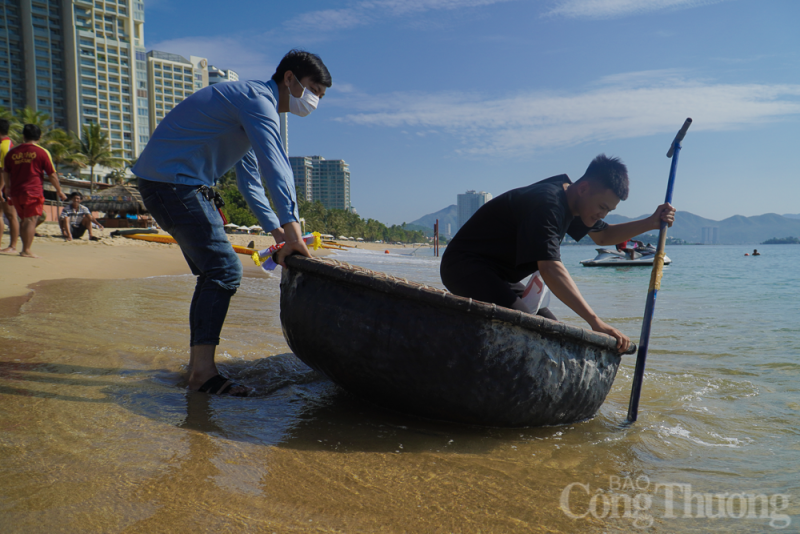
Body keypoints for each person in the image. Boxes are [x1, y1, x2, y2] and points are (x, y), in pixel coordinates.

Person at [132, 49, 332, 396]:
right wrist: (296, 231)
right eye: (313, 89)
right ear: (289, 78)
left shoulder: (249, 103)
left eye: (321, 95)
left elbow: (251, 181)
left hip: (171, 183)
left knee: (213, 273)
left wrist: (280, 234)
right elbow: (278, 167)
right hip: (174, 183)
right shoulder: (258, 101)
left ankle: (198, 368)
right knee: (224, 271)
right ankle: (203, 376)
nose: (315, 100)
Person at [440, 154, 676, 353]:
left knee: (553, 329)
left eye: (609, 210)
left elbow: (604, 236)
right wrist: (595, 321)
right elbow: (550, 268)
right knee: (531, 327)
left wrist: (651, 222)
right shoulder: (548, 205)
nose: (603, 214)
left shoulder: (573, 201)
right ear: (584, 188)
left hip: (497, 276)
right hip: (465, 267)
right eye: (602, 207)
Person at [1, 124, 67, 258]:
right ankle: (26, 250)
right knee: (30, 220)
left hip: (16, 192)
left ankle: (21, 247)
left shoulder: (12, 152)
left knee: (24, 219)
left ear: (23, 136)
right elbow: (52, 174)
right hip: (33, 191)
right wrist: (59, 190)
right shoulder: (42, 152)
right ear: (40, 137)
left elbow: (6, 172)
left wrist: (7, 187)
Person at [0, 118, 18, 253]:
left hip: (6, 185)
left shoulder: (5, 145)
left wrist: (0, 188)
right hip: (5, 185)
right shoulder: (5, 144)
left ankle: (13, 245)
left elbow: (4, 169)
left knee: (11, 215)